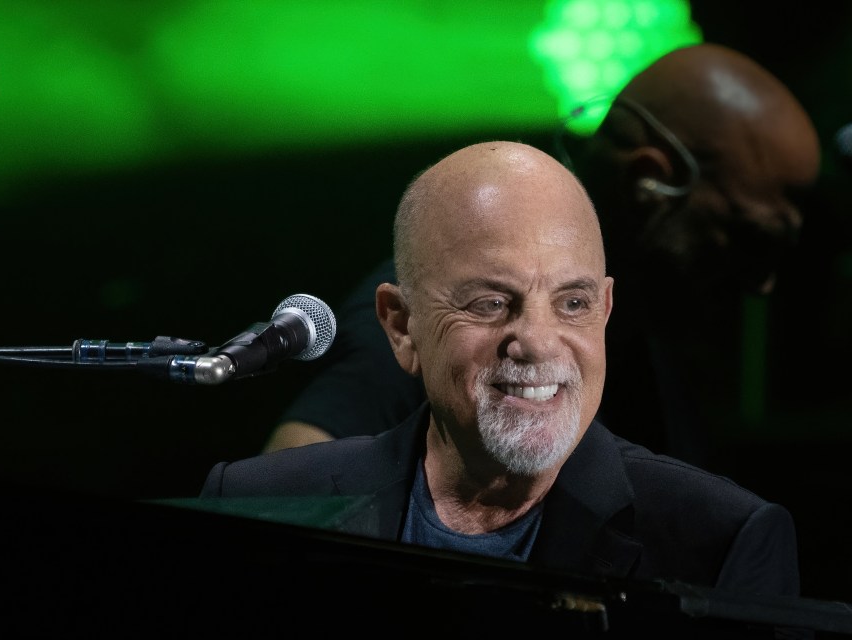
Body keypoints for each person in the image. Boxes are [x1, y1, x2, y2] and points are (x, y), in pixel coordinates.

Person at [202, 141, 800, 601]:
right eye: (490, 303)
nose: (538, 343)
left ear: (606, 311)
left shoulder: (718, 541)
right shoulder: (260, 501)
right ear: (401, 327)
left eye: (573, 303)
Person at [261, 43, 822, 470]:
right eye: (747, 238)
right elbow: (290, 489)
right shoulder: (445, 318)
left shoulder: (639, 347)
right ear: (650, 184)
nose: (763, 283)